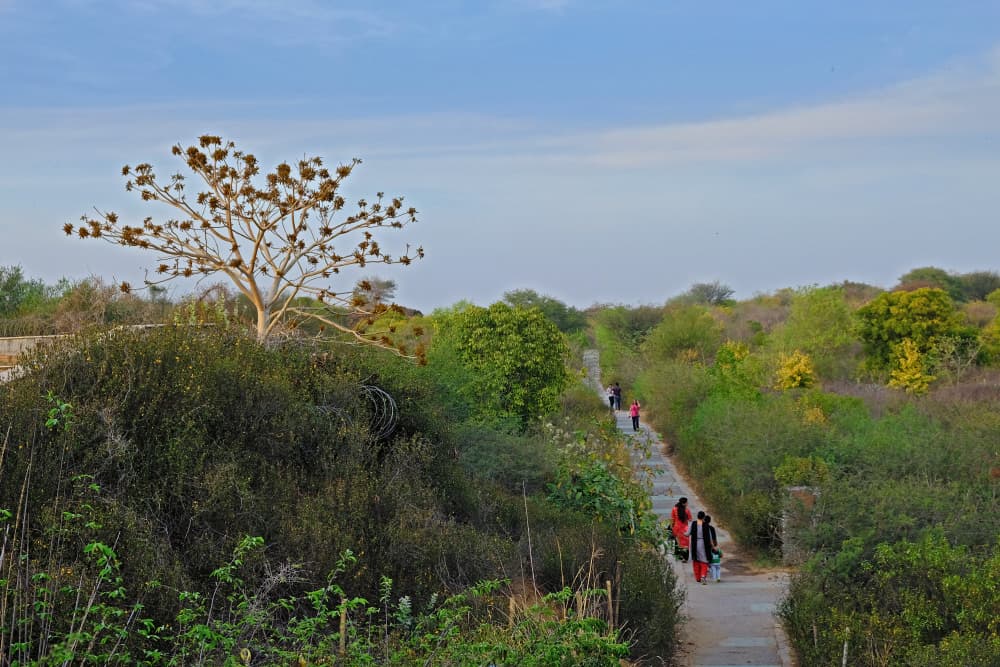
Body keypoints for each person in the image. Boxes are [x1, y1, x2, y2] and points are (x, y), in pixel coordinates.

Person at [686, 511, 717, 584]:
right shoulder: (706, 525)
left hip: (695, 544)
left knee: (696, 560)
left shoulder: (693, 524)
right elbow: (710, 539)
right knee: (704, 561)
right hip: (704, 544)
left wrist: (682, 533)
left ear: (697, 516)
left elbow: (687, 534)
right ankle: (703, 576)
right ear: (703, 517)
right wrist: (713, 547)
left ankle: (698, 578)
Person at [704, 515, 722, 582]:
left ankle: (710, 569)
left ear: (704, 520)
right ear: (710, 521)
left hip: (706, 545)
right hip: (712, 545)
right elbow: (714, 537)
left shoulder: (703, 527)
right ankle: (716, 575)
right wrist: (715, 544)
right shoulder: (712, 528)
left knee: (708, 559)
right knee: (712, 557)